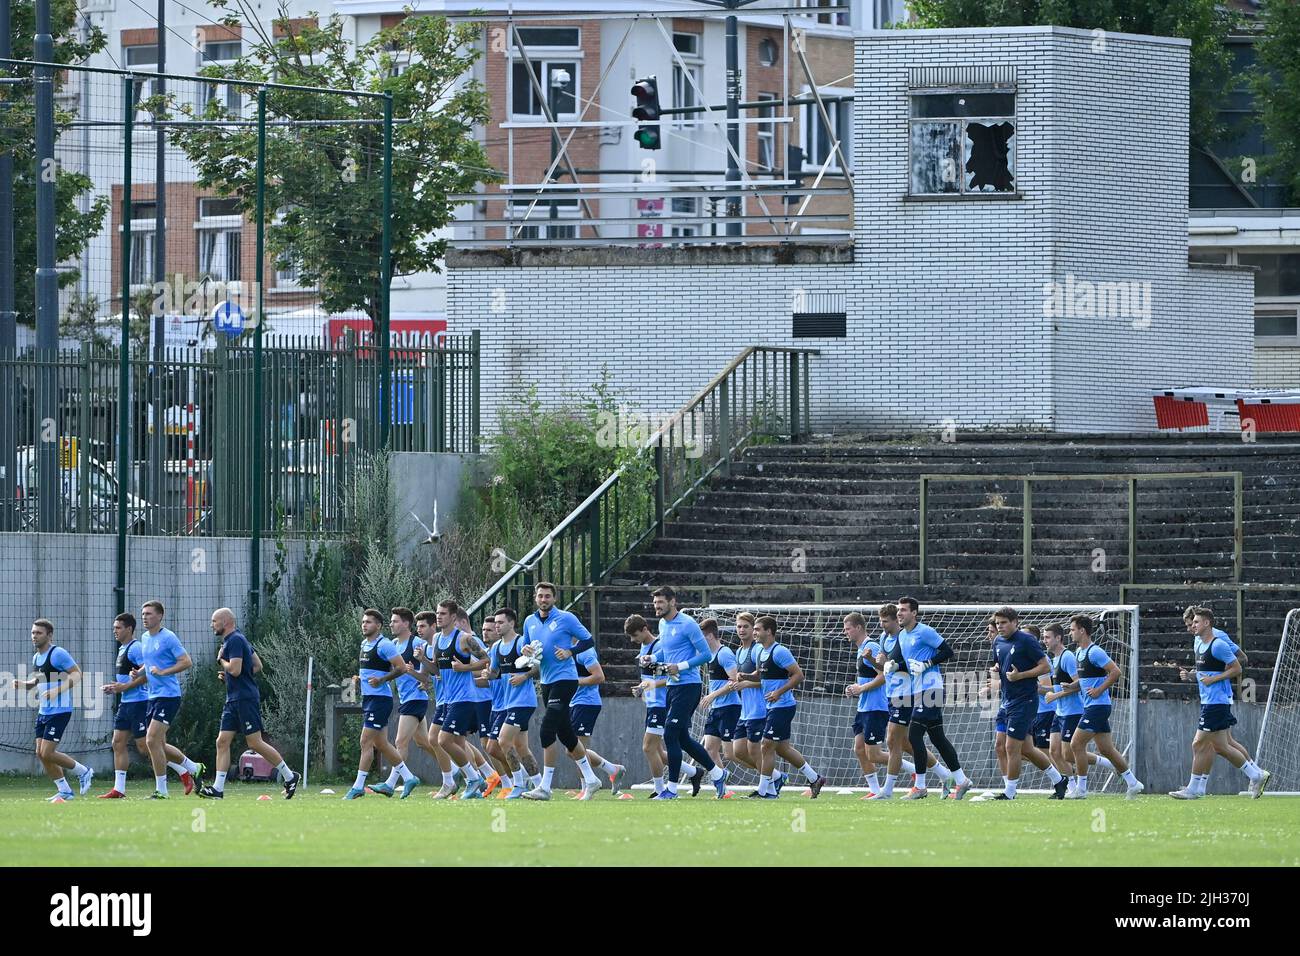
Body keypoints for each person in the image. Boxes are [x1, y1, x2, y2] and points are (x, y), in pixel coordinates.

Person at [198, 608, 300, 799]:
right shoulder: (236, 639)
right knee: (222, 742)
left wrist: (222, 662)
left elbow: (235, 669)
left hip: (244, 699)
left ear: (226, 622)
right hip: (233, 699)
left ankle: (289, 776)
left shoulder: (235, 640)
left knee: (255, 742)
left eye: (214, 621)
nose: (212, 625)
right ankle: (218, 789)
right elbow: (256, 665)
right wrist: (230, 677)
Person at [1170, 607, 1270, 799]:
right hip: (1209, 699)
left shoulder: (1218, 641)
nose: (1191, 628)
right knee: (1220, 745)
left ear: (1205, 622)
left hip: (1218, 699)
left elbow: (1239, 663)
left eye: (1194, 623)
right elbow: (1206, 667)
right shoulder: (1198, 642)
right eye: (1190, 625)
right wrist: (1192, 675)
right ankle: (1252, 775)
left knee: (1201, 743)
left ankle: (1195, 788)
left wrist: (1215, 678)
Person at [98, 612, 195, 798]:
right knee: (118, 743)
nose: (115, 631)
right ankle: (119, 789)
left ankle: (183, 770)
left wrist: (125, 686)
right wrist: (117, 688)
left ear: (129, 629)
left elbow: (146, 676)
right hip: (126, 703)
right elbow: (137, 674)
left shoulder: (136, 648)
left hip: (140, 703)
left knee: (147, 746)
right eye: (114, 628)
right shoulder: (122, 649)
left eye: (118, 628)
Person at [521, 583, 603, 801]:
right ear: (535, 598)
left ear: (554, 598)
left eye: (547, 596)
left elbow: (588, 640)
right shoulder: (529, 621)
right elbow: (528, 648)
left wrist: (570, 651)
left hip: (565, 680)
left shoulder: (566, 618)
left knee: (546, 730)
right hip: (546, 681)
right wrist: (525, 650)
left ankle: (545, 787)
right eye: (540, 596)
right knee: (566, 735)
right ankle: (592, 779)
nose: (543, 599)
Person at [647, 587, 728, 799]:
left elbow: (705, 656)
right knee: (682, 739)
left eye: (660, 602)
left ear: (672, 602)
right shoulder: (663, 623)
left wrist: (680, 667)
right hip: (673, 687)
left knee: (670, 734)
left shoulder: (688, 624)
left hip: (689, 686)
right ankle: (718, 774)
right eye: (655, 603)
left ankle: (672, 790)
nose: (657, 606)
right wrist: (652, 659)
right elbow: (667, 650)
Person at [895, 597, 971, 800]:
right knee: (938, 738)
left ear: (914, 613)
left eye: (903, 610)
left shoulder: (925, 631)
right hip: (918, 691)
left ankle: (920, 786)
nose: (899, 613)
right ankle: (962, 780)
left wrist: (927, 664)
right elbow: (910, 662)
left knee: (913, 735)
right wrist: (895, 666)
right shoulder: (902, 636)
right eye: (898, 610)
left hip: (932, 689)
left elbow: (948, 651)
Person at [988, 608, 1065, 800]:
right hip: (1007, 701)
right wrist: (998, 669)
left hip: (1025, 700)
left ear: (1015, 622)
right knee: (1021, 748)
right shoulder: (998, 641)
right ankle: (1059, 780)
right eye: (998, 623)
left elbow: (1045, 666)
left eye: (1004, 622)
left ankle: (1010, 792)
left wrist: (1020, 675)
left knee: (1011, 748)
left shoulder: (1026, 640)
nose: (1000, 626)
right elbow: (1001, 663)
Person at [365, 608, 442, 799]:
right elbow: (392, 670)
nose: (391, 624)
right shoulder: (391, 644)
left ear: (406, 624)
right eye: (391, 621)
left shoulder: (418, 643)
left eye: (395, 621)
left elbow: (432, 672)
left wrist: (424, 681)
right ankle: (456, 770)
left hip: (416, 699)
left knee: (400, 742)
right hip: (405, 698)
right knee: (424, 742)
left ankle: (391, 784)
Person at [12, 618, 91, 802]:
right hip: (44, 711)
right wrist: (24, 685)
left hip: (60, 710)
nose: (34, 636)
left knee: (47, 752)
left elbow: (77, 674)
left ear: (49, 635)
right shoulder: (36, 657)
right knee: (40, 753)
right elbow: (39, 681)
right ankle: (64, 791)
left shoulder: (58, 653)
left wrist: (57, 690)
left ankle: (84, 771)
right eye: (33, 632)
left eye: (38, 633)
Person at [1065, 615, 1144, 799]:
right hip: (1091, 706)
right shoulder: (1078, 652)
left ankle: (1081, 790)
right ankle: (1133, 782)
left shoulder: (1095, 652)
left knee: (1076, 744)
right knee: (1106, 749)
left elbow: (1116, 671)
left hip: (1098, 707)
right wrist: (1073, 687)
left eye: (1072, 629)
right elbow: (1085, 682)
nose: (1070, 633)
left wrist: (1100, 690)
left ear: (1082, 631)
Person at [133, 600, 204, 799]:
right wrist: (139, 673)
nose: (145, 617)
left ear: (160, 616)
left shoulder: (168, 637)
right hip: (152, 696)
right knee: (159, 745)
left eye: (148, 614)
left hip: (169, 696)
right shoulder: (145, 638)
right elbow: (150, 665)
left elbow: (186, 661)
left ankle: (162, 791)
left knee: (151, 740)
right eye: (143, 614)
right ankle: (193, 767)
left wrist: (164, 672)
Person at [344, 608, 417, 799]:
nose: (364, 625)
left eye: (368, 622)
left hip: (380, 701)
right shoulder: (364, 644)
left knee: (365, 741)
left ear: (378, 625)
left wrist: (383, 680)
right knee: (382, 743)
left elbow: (401, 668)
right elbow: (371, 670)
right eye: (363, 622)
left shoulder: (385, 645)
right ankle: (409, 777)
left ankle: (358, 786)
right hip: (369, 699)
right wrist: (360, 678)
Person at [751, 614, 826, 799]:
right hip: (771, 706)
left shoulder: (780, 651)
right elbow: (761, 675)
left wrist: (779, 692)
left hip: (782, 706)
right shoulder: (760, 651)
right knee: (782, 748)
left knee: (766, 745)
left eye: (757, 629)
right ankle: (814, 778)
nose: (754, 633)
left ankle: (764, 791)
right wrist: (745, 677)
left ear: (769, 631)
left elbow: (798, 675)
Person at [485, 608, 541, 799]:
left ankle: (518, 784)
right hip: (509, 703)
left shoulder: (521, 643)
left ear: (511, 623)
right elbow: (494, 672)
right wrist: (488, 675)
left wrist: (524, 676)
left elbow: (538, 667)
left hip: (523, 701)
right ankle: (540, 785)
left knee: (503, 741)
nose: (497, 626)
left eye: (501, 622)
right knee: (522, 747)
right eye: (496, 623)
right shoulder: (495, 648)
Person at [842, 612, 888, 797]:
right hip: (864, 706)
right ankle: (875, 791)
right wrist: (853, 688)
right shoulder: (860, 649)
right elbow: (866, 678)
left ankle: (916, 767)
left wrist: (861, 689)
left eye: (848, 628)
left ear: (859, 627)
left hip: (876, 706)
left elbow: (883, 675)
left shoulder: (873, 647)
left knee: (874, 754)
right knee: (859, 749)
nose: (845, 632)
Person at [697, 617, 740, 788]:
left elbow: (735, 681)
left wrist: (712, 695)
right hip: (716, 708)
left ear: (708, 637)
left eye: (700, 638)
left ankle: (770, 774)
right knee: (709, 749)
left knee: (731, 754)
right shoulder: (709, 656)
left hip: (730, 708)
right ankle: (722, 784)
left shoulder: (724, 653)